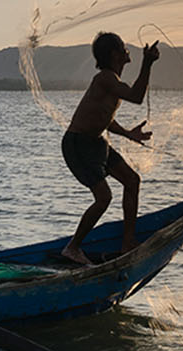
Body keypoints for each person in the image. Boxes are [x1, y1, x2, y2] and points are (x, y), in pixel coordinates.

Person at [60, 32, 160, 265]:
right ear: (115, 54)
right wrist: (147, 62)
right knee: (104, 197)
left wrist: (128, 134)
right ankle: (72, 247)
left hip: (96, 143)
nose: (128, 51)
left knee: (132, 181)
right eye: (124, 48)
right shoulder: (106, 78)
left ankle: (128, 242)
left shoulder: (111, 81)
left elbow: (103, 117)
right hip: (78, 144)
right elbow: (136, 96)